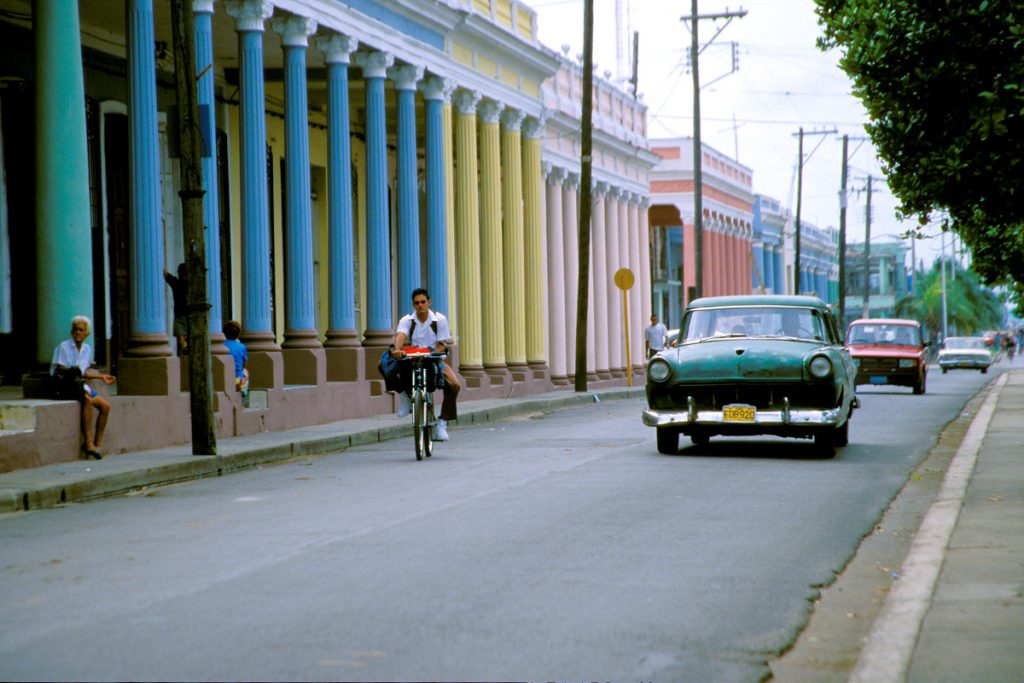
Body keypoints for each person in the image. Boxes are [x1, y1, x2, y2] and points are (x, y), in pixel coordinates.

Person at [390, 288, 461, 441]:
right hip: (413, 359)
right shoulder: (407, 320)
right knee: (385, 366)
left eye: (423, 302)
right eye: (417, 303)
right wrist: (397, 349)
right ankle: (405, 397)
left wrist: (433, 351)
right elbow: (401, 335)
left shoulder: (439, 320)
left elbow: (442, 343)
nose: (420, 305)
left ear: (429, 302)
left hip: (433, 358)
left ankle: (442, 423)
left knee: (454, 384)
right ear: (413, 305)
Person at [50, 315, 116, 459]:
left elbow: (84, 371)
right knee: (87, 400)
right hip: (64, 385)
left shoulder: (86, 349)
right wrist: (75, 373)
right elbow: (61, 370)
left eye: (81, 330)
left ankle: (97, 445)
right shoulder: (64, 347)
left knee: (105, 407)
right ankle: (88, 443)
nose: (77, 333)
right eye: (75, 330)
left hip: (80, 385)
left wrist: (101, 376)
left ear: (87, 334)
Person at [222, 320, 249, 406]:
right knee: (245, 373)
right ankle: (242, 390)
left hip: (224, 377)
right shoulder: (242, 346)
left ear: (224, 333)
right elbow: (243, 364)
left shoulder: (221, 345)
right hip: (237, 379)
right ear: (238, 334)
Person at [163, 263, 188, 355]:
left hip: (186, 316)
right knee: (181, 341)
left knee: (183, 341)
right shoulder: (177, 283)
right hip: (181, 316)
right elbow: (166, 275)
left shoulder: (178, 283)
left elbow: (165, 275)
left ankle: (184, 357)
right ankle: (182, 358)